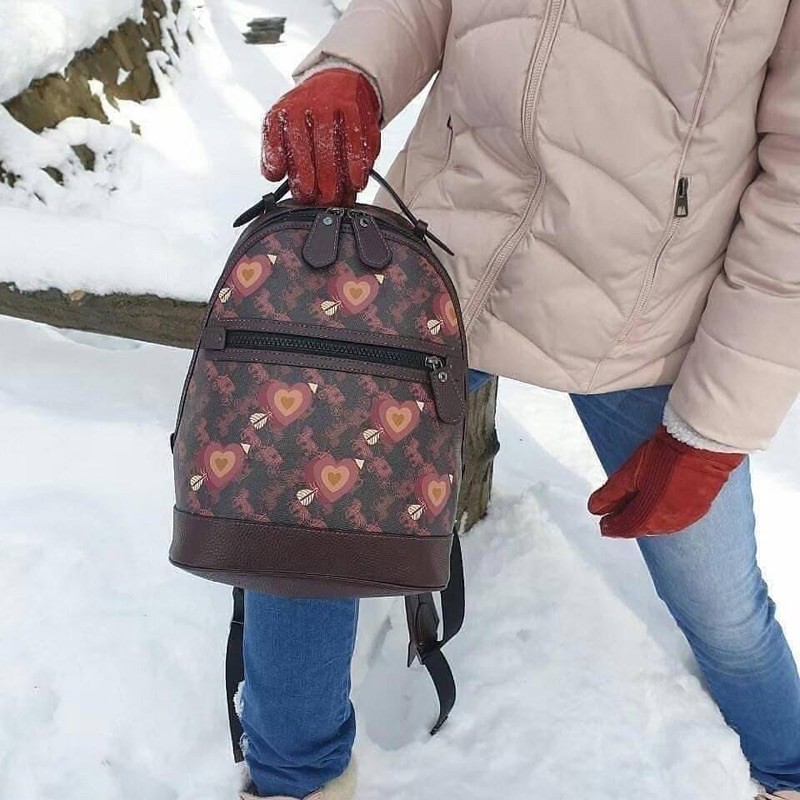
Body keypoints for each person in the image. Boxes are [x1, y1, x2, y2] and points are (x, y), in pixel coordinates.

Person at [238, 2, 800, 798]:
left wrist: (714, 426)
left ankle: (789, 767)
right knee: (302, 523)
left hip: (647, 322)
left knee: (725, 612)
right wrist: (351, 69)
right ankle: (294, 783)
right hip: (438, 254)